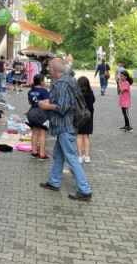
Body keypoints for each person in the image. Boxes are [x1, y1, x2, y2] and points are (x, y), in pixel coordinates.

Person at [38, 58, 93, 200]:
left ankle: (85, 190)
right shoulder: (70, 80)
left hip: (65, 126)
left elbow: (62, 108)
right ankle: (53, 182)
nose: (48, 70)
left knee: (71, 158)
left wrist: (47, 106)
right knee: (58, 155)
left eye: (50, 67)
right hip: (67, 125)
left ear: (55, 68)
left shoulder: (61, 84)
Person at [26, 74, 50, 160]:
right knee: (43, 134)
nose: (44, 82)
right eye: (43, 80)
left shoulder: (30, 91)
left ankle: (34, 152)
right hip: (42, 113)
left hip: (32, 112)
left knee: (35, 133)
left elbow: (30, 102)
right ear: (41, 82)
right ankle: (42, 154)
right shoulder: (44, 91)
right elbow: (47, 103)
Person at [77, 76, 95, 163]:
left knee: (79, 136)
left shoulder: (77, 94)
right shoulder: (90, 93)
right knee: (86, 137)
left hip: (79, 117)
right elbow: (91, 105)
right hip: (88, 117)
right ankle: (87, 156)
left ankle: (80, 156)